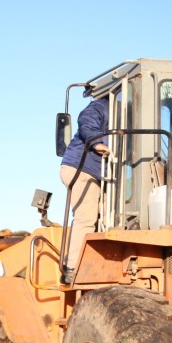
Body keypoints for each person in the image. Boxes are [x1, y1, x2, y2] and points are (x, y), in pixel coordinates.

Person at [59, 96, 109, 283]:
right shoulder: (102, 105)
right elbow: (86, 122)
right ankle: (73, 268)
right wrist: (97, 143)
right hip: (81, 168)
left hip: (100, 174)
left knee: (107, 216)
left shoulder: (129, 113)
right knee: (86, 216)